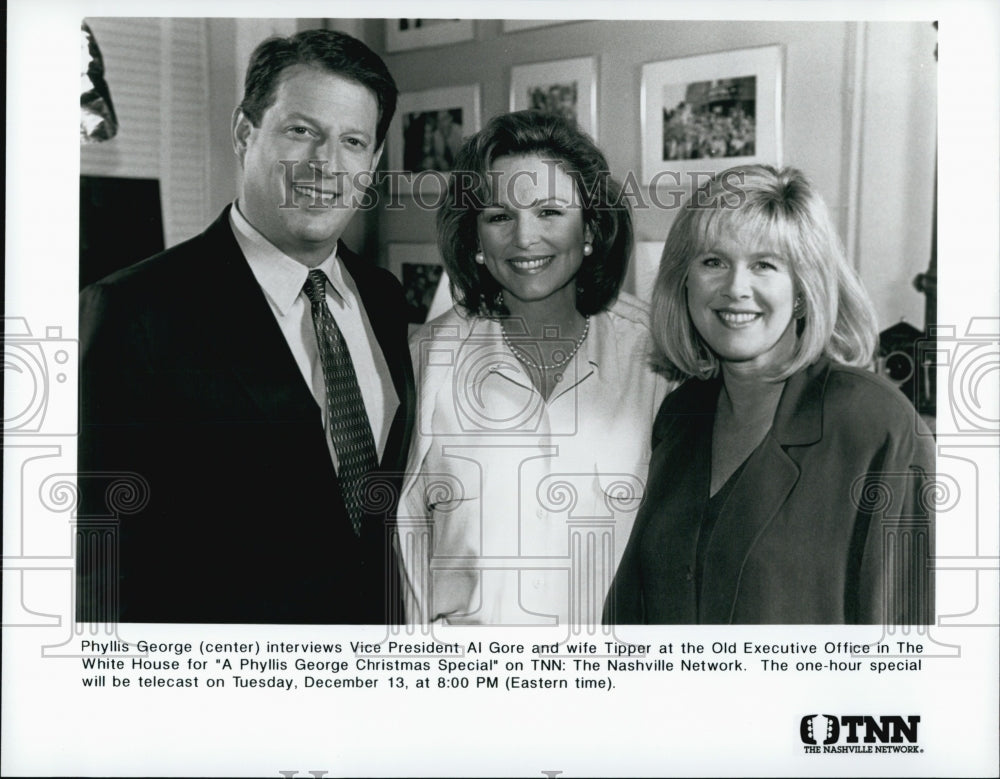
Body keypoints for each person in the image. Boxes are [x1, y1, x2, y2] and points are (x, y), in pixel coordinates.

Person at [76, 29, 415, 624]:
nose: (326, 164)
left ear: (373, 161)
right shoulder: (134, 312)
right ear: (243, 133)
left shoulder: (384, 297)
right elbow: (98, 566)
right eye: (301, 131)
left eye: (353, 141)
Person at [604, 165, 935, 625]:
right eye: (713, 262)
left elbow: (906, 641)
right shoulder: (680, 414)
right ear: (685, 281)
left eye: (764, 264)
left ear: (802, 290)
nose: (735, 288)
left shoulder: (876, 425)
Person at [398, 110, 669, 626]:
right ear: (475, 239)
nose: (525, 238)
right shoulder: (428, 360)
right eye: (499, 216)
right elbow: (404, 542)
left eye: (549, 211)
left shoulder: (655, 357)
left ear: (591, 227)